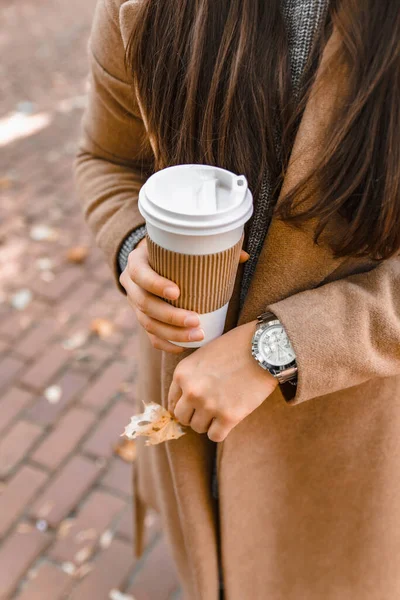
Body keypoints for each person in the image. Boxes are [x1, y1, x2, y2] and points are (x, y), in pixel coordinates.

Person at [74, 0, 400, 598]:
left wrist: (279, 347)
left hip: (346, 438)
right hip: (186, 417)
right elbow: (106, 159)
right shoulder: (143, 11)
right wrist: (132, 249)